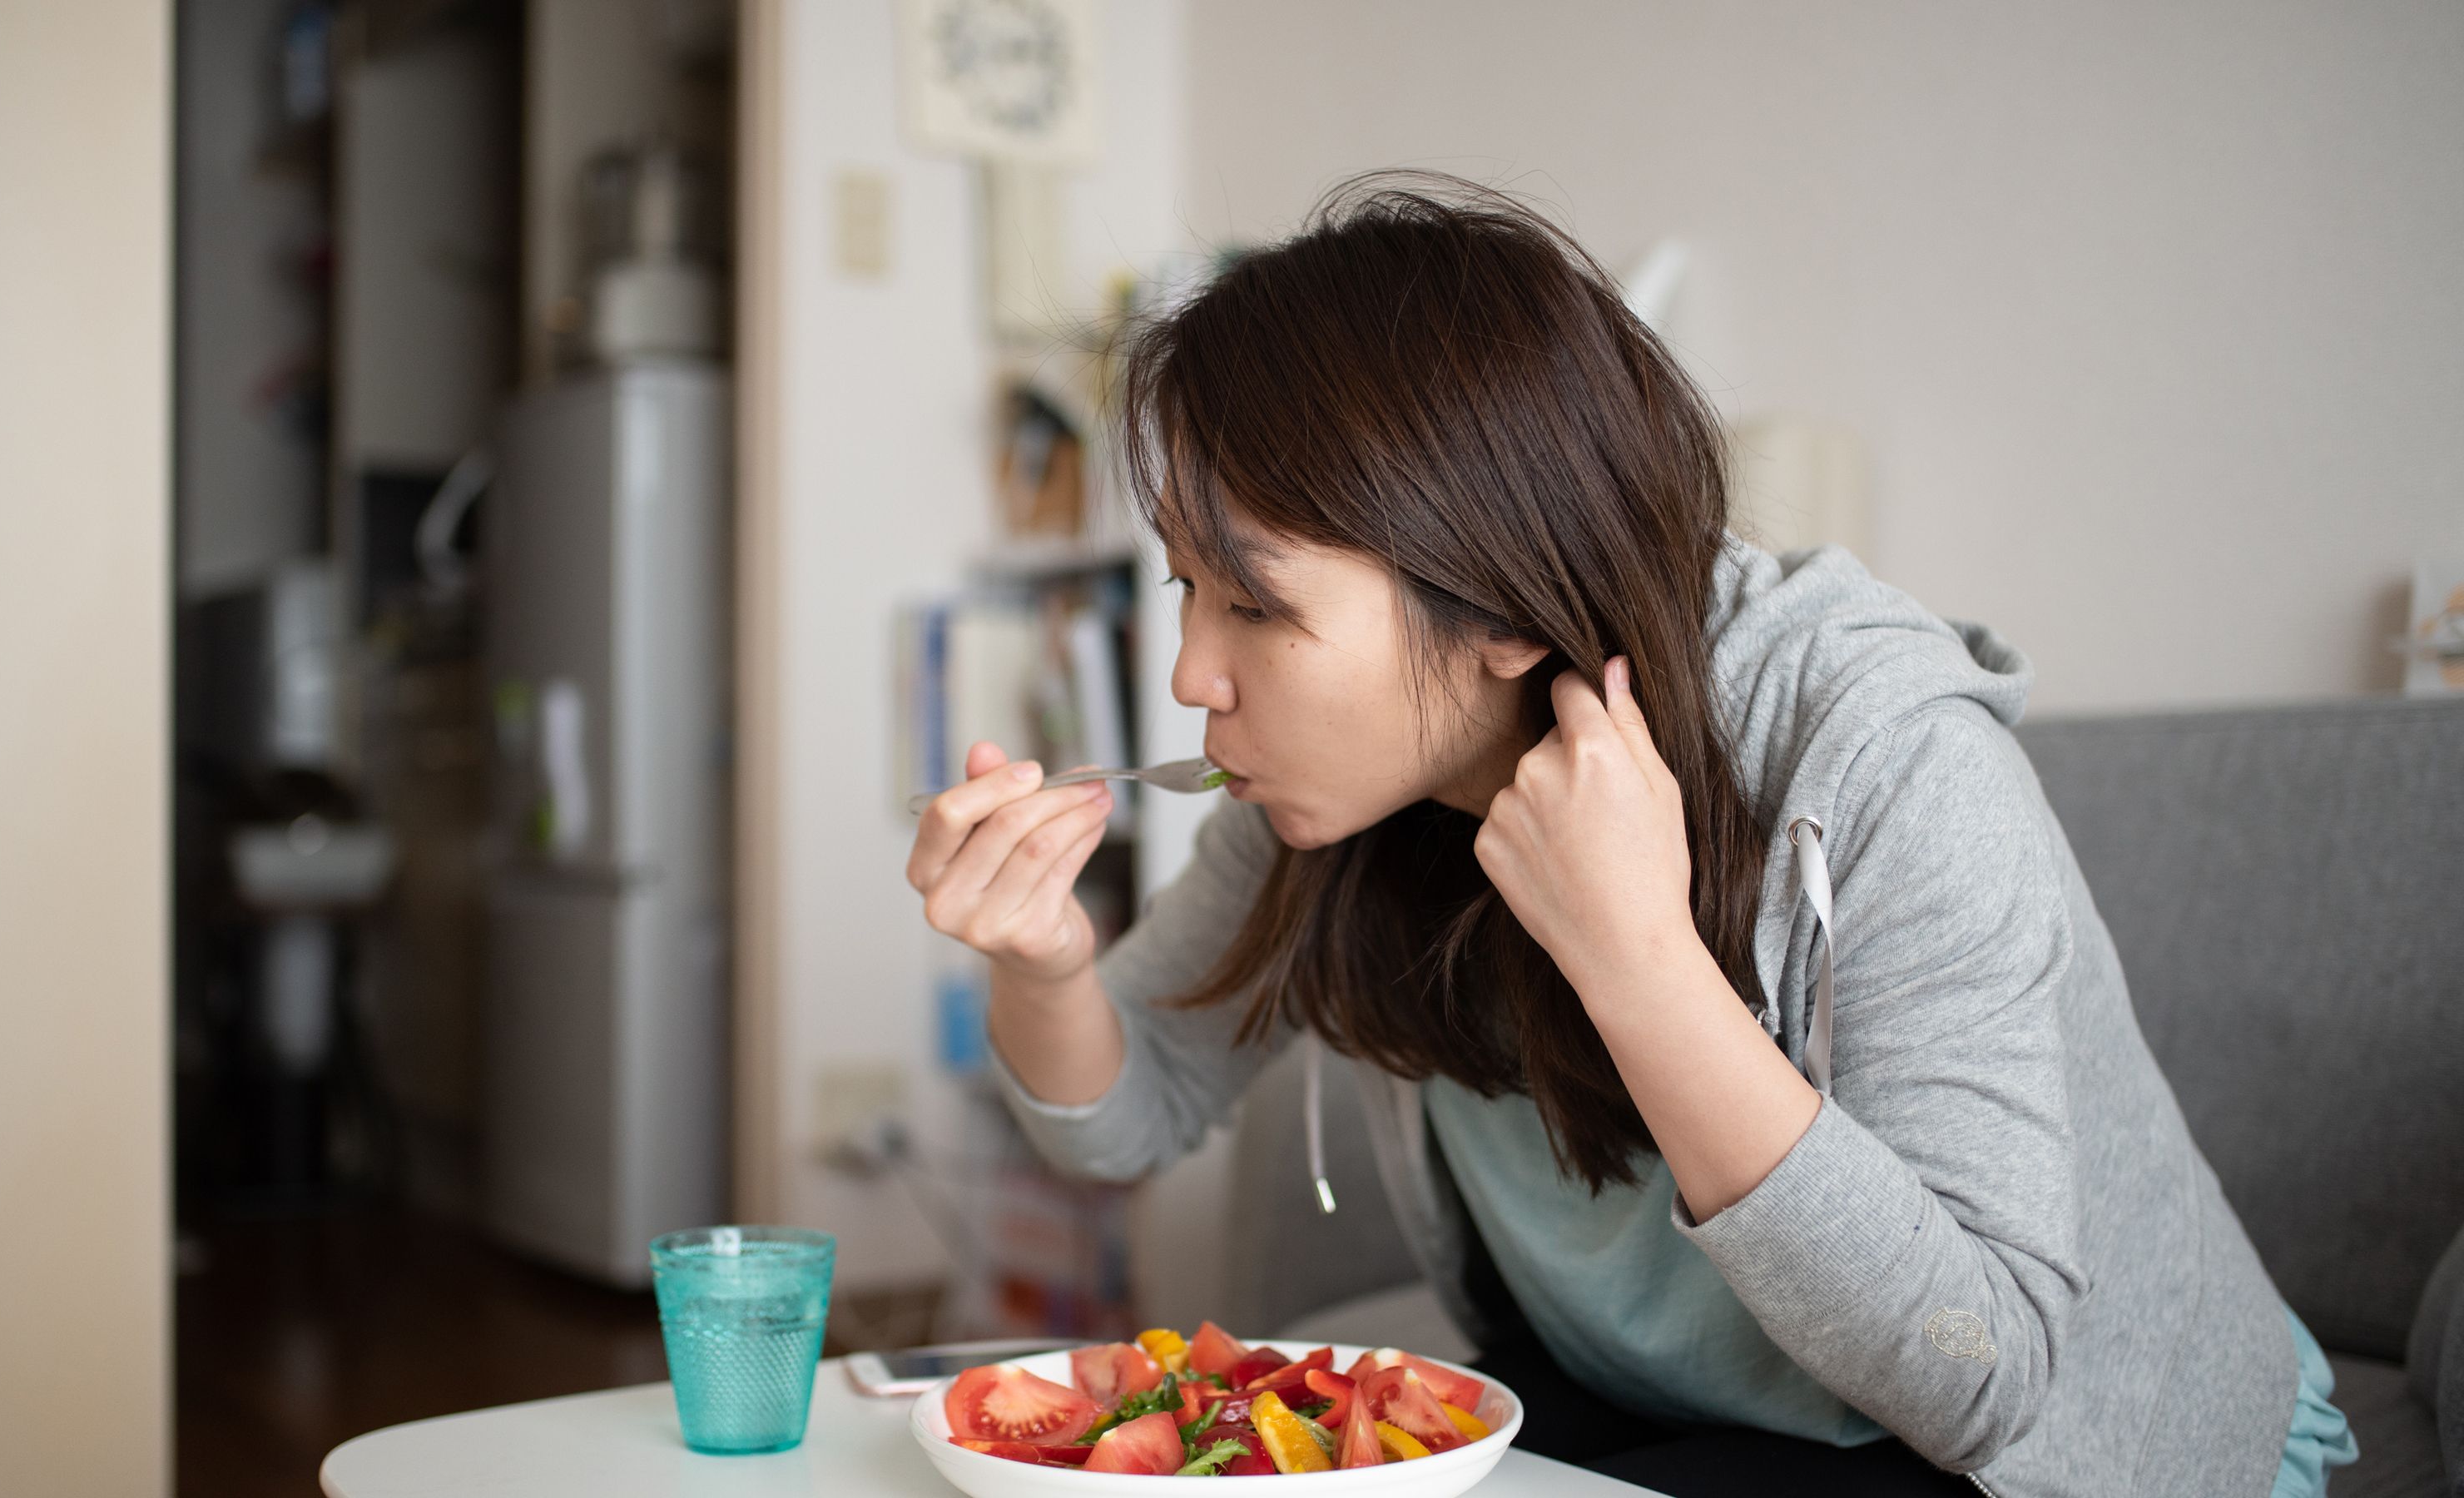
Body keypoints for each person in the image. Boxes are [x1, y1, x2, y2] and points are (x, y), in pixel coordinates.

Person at [902, 174, 2357, 1497]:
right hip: (1636, 1413)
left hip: (2047, 1453)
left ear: (1505, 610)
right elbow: (1130, 1113)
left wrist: (1644, 968)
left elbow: (1979, 1377)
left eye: (1260, 609)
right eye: (1188, 592)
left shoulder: (1886, 756)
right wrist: (1042, 962)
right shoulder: (1336, 779)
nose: (1191, 677)